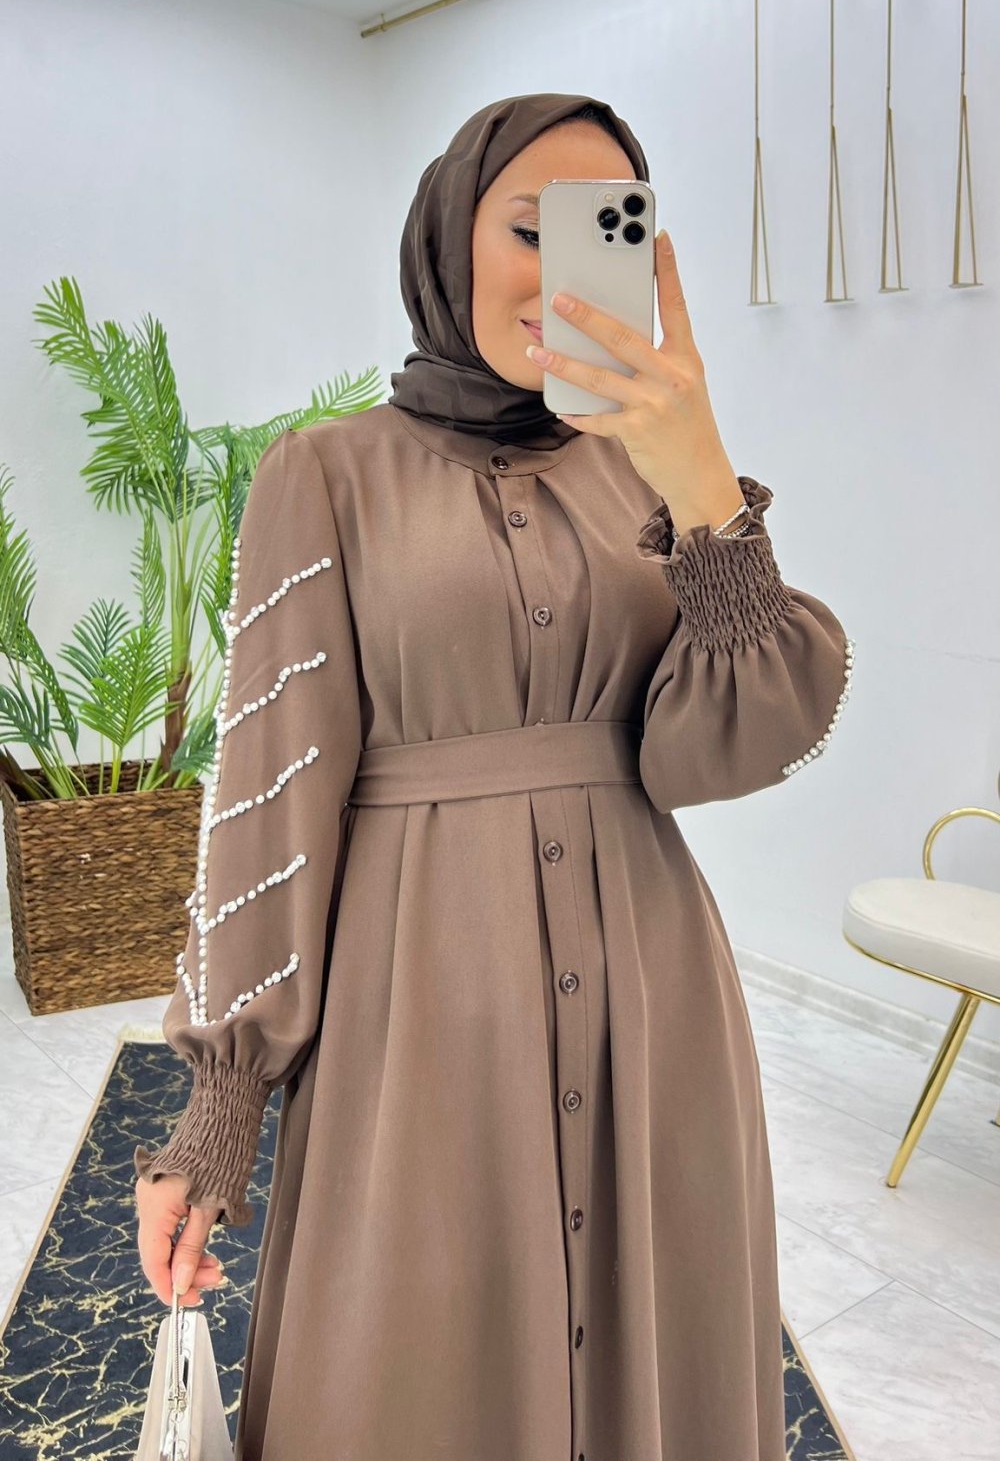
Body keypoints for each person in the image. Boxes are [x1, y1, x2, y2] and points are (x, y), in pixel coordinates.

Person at [134, 92, 854, 1461]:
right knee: (416, 1359)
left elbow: (726, 742)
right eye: (532, 228)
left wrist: (705, 485)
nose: (568, 269)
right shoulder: (325, 473)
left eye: (609, 232)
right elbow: (272, 794)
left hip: (655, 1010)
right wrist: (220, 1111)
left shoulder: (646, 473)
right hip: (419, 1016)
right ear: (446, 238)